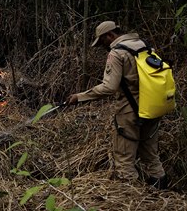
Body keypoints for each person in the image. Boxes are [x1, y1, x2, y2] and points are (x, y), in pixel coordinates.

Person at [67, 21, 168, 189]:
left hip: (130, 112)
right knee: (151, 156)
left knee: (124, 159)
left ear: (110, 35)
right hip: (153, 106)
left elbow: (109, 87)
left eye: (102, 42)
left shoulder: (117, 53)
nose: (102, 46)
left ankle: (132, 201)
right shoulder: (144, 46)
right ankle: (162, 194)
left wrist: (80, 97)